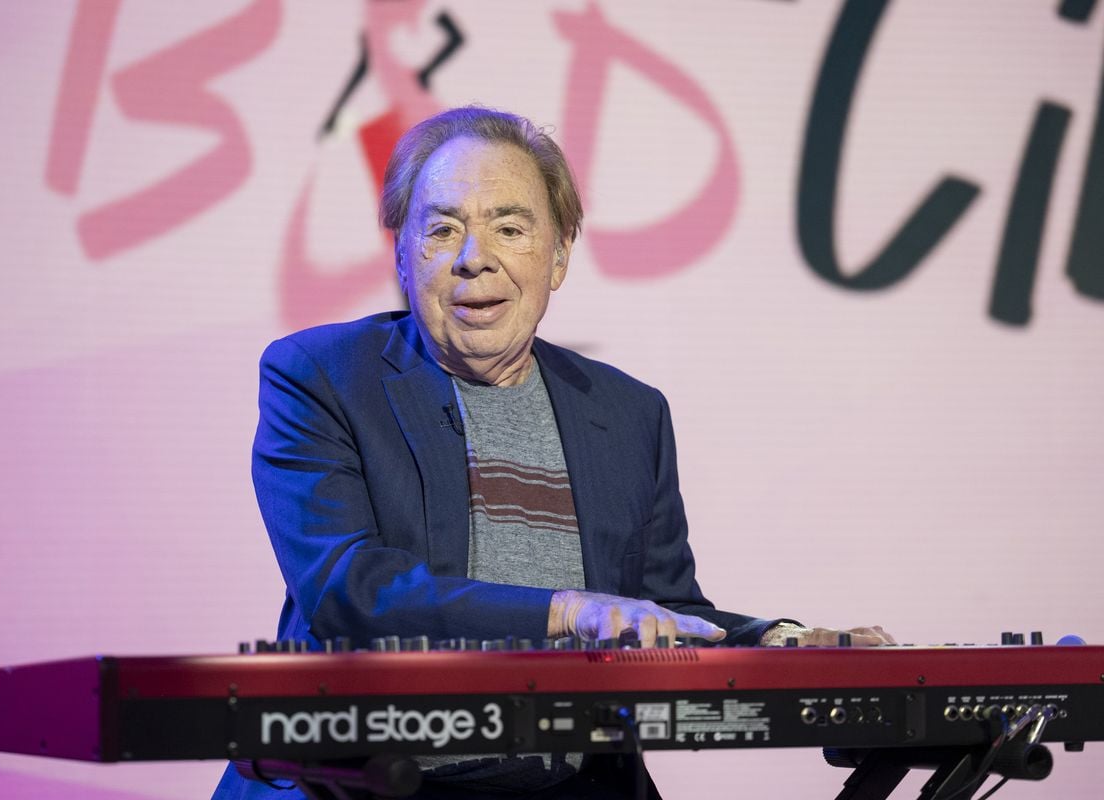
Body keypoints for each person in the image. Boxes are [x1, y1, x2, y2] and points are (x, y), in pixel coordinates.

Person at [213, 106, 893, 799]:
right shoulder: (323, 375)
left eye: (509, 228)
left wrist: (776, 639)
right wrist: (567, 612)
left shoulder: (630, 413)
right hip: (370, 784)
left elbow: (663, 610)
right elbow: (351, 591)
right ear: (401, 253)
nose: (472, 256)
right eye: (442, 228)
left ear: (560, 254)